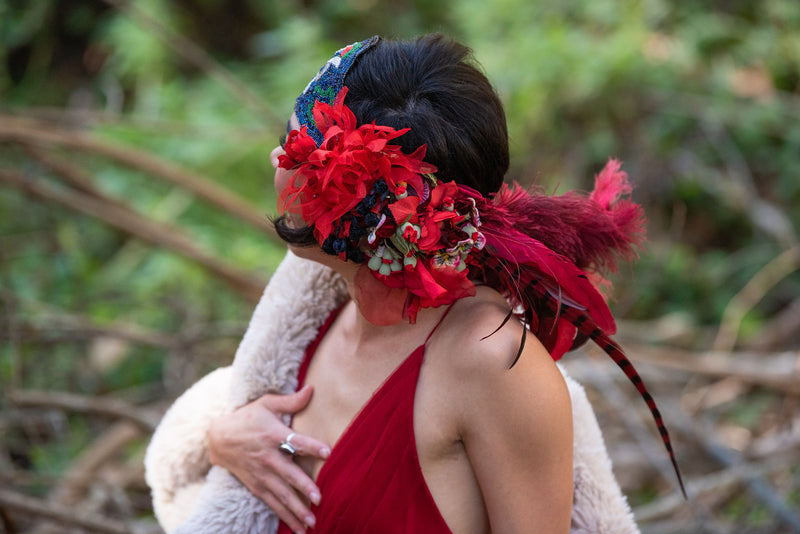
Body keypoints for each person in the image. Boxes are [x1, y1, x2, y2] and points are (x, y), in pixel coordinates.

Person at [145, 34, 681, 534]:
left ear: (349, 204)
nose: (272, 157)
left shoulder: (492, 363)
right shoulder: (320, 304)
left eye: (291, 143)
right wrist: (221, 440)